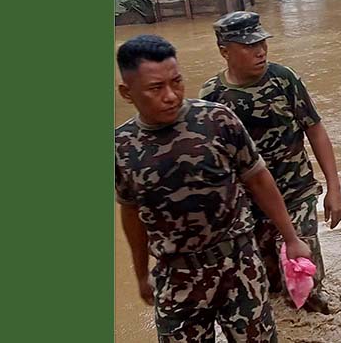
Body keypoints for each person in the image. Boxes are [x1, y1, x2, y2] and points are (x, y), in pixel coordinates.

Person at [115, 34, 312, 343]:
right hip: (176, 278)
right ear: (127, 93)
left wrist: (291, 238)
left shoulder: (216, 120)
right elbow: (131, 212)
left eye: (176, 82)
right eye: (156, 88)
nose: (171, 95)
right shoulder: (121, 147)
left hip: (238, 267)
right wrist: (141, 273)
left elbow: (259, 179)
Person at [200, 12, 341, 314]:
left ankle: (318, 324)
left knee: (307, 280)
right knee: (269, 285)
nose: (260, 51)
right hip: (250, 205)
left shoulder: (284, 79)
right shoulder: (212, 97)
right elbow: (213, 162)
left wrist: (334, 187)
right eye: (249, 46)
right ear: (224, 51)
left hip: (297, 193)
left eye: (262, 43)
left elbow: (315, 129)